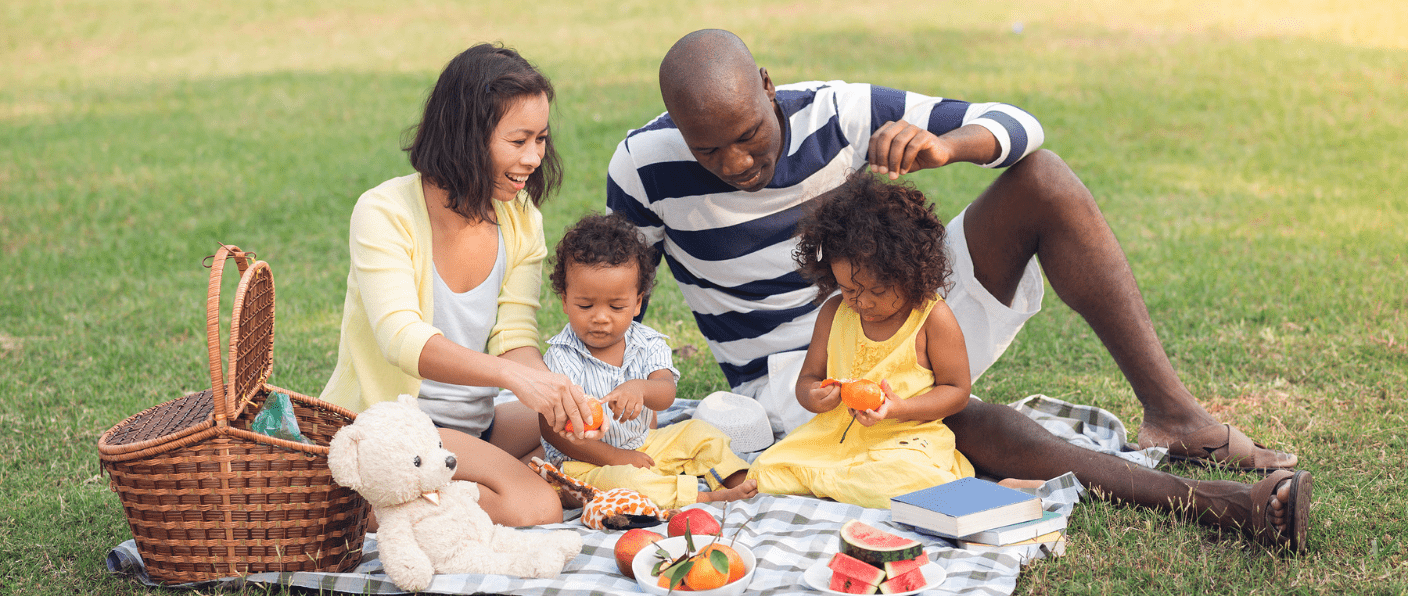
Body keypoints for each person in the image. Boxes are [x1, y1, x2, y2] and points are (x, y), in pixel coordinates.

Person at [606, 29, 1310, 551]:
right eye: (707, 148)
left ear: (767, 86)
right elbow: (624, 296)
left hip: (898, 312)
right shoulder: (642, 166)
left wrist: (948, 147)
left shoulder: (837, 111)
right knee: (968, 424)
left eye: (748, 135)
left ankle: (1177, 418)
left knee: (1044, 177)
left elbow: (1021, 127)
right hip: (799, 383)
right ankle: (1219, 504)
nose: (735, 162)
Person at [320, 43, 598, 527]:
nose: (534, 157)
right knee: (536, 505)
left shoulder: (520, 219)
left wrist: (547, 387)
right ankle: (365, 504)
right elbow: (401, 339)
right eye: (518, 141)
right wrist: (512, 378)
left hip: (472, 426)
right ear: (466, 136)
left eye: (542, 139)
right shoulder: (384, 213)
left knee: (582, 435)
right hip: (398, 430)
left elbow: (513, 335)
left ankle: (437, 491)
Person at [749, 172, 979, 509]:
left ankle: (833, 485)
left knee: (913, 480)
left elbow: (957, 391)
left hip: (902, 441)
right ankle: (842, 484)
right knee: (763, 471)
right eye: (849, 289)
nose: (862, 302)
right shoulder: (834, 313)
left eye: (878, 291)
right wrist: (815, 396)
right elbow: (808, 379)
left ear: (910, 272)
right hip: (832, 439)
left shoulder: (932, 317)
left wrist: (898, 408)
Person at [539, 213, 758, 508]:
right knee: (626, 484)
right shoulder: (560, 357)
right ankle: (701, 496)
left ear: (638, 302)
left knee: (699, 432)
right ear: (565, 300)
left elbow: (666, 393)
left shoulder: (647, 342)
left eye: (617, 306)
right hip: (588, 465)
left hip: (645, 444)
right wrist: (617, 458)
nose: (601, 317)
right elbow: (549, 429)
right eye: (585, 305)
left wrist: (641, 389)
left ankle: (736, 478)